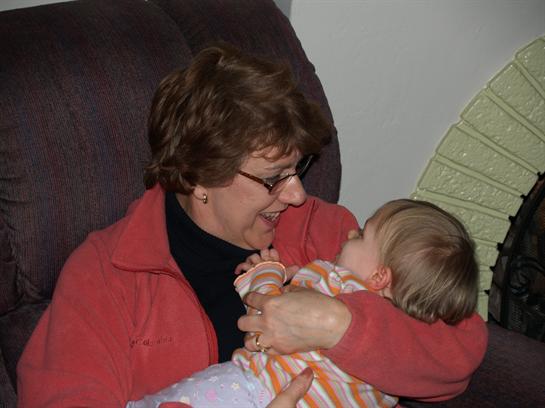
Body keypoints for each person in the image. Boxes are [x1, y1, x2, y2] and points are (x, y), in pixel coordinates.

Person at [17, 43, 487, 407]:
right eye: (274, 177)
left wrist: (336, 325)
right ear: (199, 175)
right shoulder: (107, 274)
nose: (297, 194)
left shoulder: (324, 232)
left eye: (298, 169)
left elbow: (458, 348)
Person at [128, 198, 479, 407]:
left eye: (362, 234)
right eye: (273, 176)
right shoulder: (391, 373)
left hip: (253, 388)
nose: (350, 233)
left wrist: (264, 273)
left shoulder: (331, 278)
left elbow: (265, 311)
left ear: (379, 277)